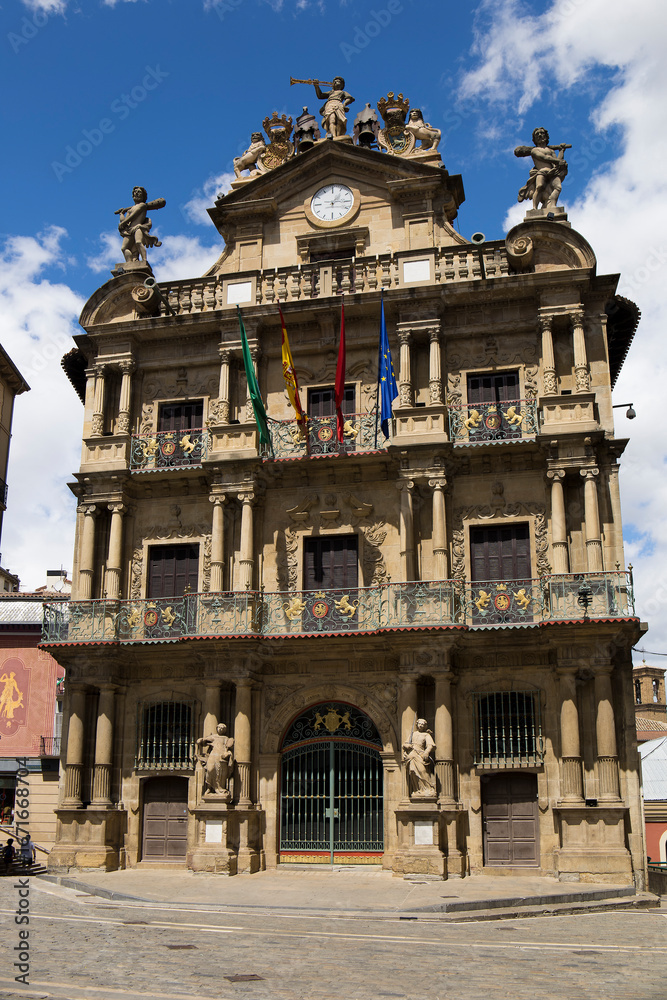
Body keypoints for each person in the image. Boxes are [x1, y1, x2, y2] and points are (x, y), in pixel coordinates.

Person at [514, 127, 570, 211]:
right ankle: (534, 208)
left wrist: (561, 151)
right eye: (537, 134)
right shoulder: (534, 150)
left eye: (542, 133)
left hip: (552, 172)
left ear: (546, 136)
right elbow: (544, 157)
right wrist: (558, 161)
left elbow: (557, 162)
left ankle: (552, 205)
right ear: (534, 139)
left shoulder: (551, 150)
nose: (540, 135)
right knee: (539, 187)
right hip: (542, 171)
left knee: (558, 187)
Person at [115, 186, 166, 263]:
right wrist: (121, 214)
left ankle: (144, 260)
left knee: (138, 242)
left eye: (139, 192)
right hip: (129, 230)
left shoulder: (142, 205)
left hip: (137, 227)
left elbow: (134, 215)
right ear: (132, 196)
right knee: (124, 248)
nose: (137, 194)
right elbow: (125, 221)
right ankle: (129, 263)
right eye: (135, 192)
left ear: (143, 196)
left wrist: (123, 223)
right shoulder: (130, 209)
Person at [196, 723, 235, 796]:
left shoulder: (226, 738)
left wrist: (228, 753)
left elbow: (229, 746)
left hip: (221, 757)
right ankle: (209, 787)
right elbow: (203, 742)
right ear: (216, 728)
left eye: (222, 728)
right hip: (213, 756)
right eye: (219, 727)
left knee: (220, 773)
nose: (220, 729)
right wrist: (201, 740)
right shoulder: (213, 737)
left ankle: (218, 788)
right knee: (210, 770)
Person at [402, 719, 436, 796]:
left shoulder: (426, 735)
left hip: (420, 755)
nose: (420, 725)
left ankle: (428, 789)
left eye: (422, 724)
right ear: (417, 725)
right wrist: (407, 746)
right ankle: (417, 789)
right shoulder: (412, 734)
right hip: (412, 754)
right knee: (413, 772)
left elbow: (430, 745)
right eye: (419, 724)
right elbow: (405, 744)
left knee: (422, 771)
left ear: (425, 726)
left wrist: (427, 752)